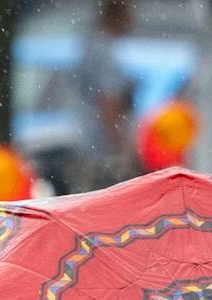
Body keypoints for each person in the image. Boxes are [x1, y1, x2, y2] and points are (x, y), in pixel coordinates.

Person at [68, 0, 137, 193]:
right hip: (99, 147)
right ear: (118, 14)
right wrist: (119, 144)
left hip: (84, 140)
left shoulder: (90, 44)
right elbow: (108, 101)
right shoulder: (105, 52)